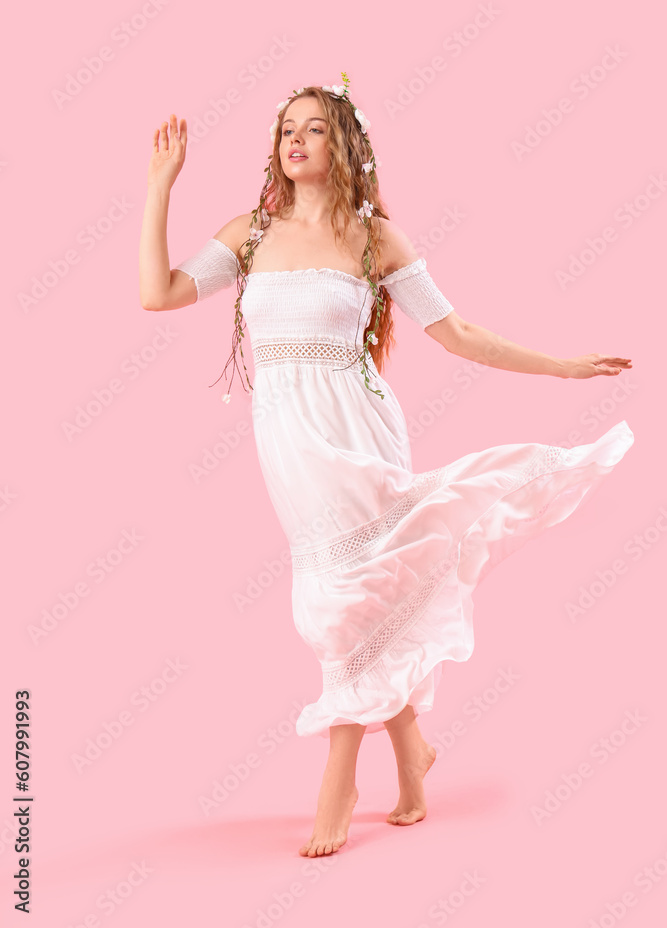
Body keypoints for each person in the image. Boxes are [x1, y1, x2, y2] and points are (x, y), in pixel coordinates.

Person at [138, 79, 634, 859]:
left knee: (357, 597)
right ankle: (410, 751)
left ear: (346, 146)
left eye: (314, 129)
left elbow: (459, 332)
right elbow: (157, 293)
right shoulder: (251, 235)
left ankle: (340, 780)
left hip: (358, 424)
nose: (294, 140)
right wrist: (160, 188)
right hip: (290, 439)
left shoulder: (376, 240)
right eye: (285, 131)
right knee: (350, 590)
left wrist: (564, 368)